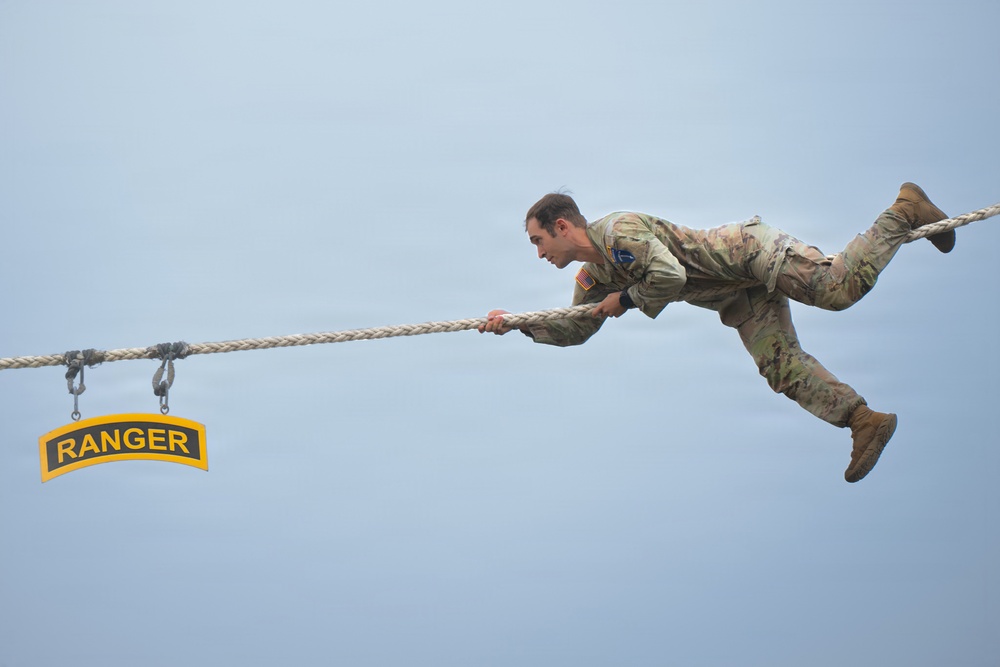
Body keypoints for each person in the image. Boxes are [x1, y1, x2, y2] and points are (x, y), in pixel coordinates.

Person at [479, 183, 955, 483]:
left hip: (744, 253)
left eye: (538, 240)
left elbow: (669, 276)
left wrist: (624, 301)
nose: (539, 253)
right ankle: (862, 421)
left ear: (562, 226)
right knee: (780, 366)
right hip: (737, 296)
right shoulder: (593, 278)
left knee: (835, 289)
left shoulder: (616, 232)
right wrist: (518, 325)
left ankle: (905, 210)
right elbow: (577, 329)